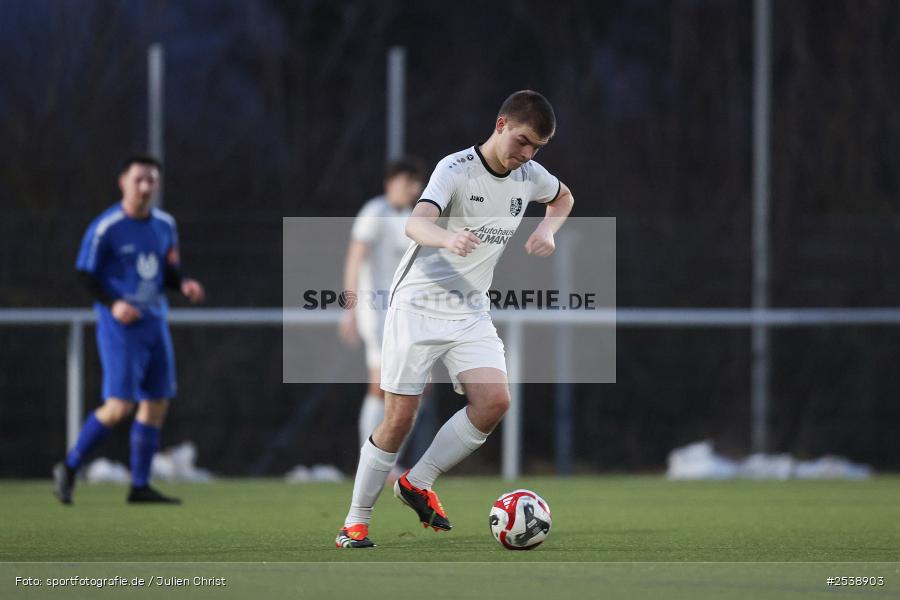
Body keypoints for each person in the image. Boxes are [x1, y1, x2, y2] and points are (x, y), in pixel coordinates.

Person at [336, 90, 574, 548]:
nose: (526, 154)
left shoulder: (529, 174)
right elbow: (416, 223)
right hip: (417, 307)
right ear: (501, 124)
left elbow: (562, 198)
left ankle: (418, 482)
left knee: (495, 402)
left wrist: (547, 228)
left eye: (537, 148)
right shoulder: (455, 168)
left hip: (470, 311)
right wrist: (447, 240)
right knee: (399, 420)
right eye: (522, 141)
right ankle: (355, 522)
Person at [53, 154, 205, 505]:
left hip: (155, 322)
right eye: (139, 179)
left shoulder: (165, 224)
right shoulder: (107, 226)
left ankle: (139, 485)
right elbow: (84, 274)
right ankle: (70, 466)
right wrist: (113, 303)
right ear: (123, 182)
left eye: (151, 180)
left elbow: (166, 271)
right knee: (120, 406)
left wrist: (183, 284)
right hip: (120, 327)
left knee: (157, 403)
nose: (146, 187)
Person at [338, 158, 426, 469]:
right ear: (391, 184)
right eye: (407, 183)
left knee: (418, 387)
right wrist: (349, 310)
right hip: (377, 313)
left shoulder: (414, 218)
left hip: (409, 313)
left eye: (416, 184)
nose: (413, 189)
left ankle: (389, 461)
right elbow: (354, 258)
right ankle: (373, 461)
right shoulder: (375, 212)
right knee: (382, 383)